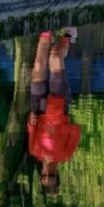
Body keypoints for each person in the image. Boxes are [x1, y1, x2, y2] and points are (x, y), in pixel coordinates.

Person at [28, 28, 81, 195]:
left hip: (39, 109)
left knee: (38, 65)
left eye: (44, 175)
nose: (47, 172)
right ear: (57, 173)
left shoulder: (34, 151)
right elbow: (76, 131)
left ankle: (46, 31)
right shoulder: (66, 154)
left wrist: (31, 122)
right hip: (58, 108)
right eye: (50, 175)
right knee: (55, 57)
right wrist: (59, 127)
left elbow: (31, 131)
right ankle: (67, 36)